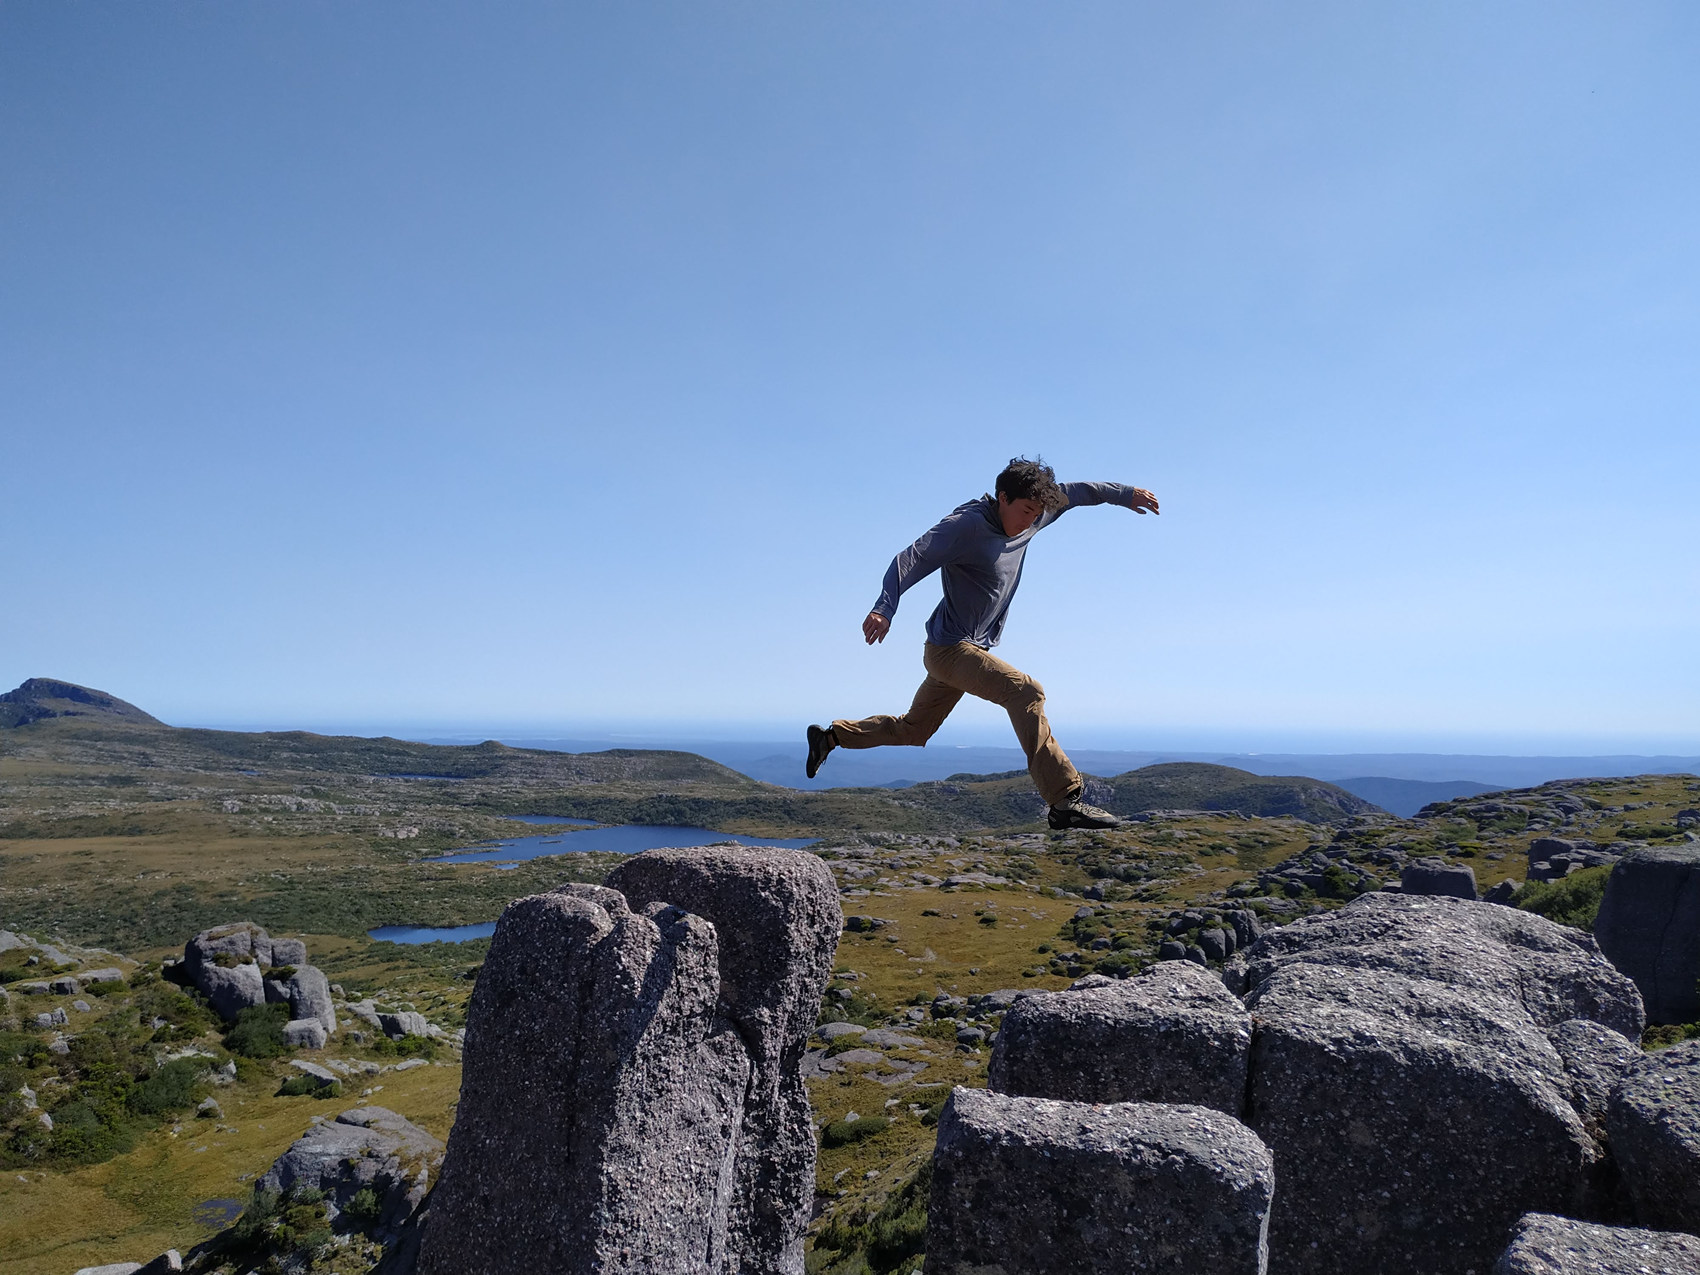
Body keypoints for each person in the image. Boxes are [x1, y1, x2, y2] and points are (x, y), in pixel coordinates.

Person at [805, 456, 1159, 829]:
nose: (1031, 519)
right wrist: (884, 607)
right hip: (950, 650)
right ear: (1002, 498)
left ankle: (831, 737)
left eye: (1038, 512)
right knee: (1026, 692)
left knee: (914, 730)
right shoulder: (967, 526)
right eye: (1025, 510)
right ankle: (1064, 801)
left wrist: (1125, 494)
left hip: (967, 652)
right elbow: (911, 558)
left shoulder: (1036, 512)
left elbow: (1082, 492)